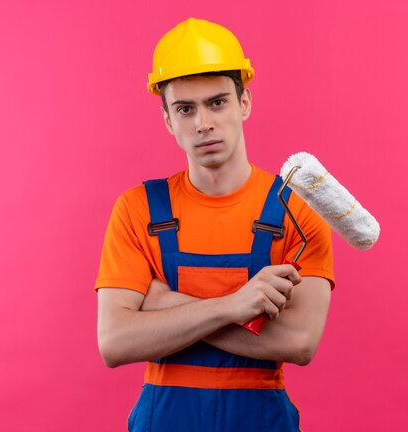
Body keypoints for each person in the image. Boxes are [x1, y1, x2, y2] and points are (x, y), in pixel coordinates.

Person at [95, 17, 336, 432]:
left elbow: (299, 343)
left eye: (217, 102)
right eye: (185, 109)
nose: (203, 122)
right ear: (168, 120)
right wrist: (231, 306)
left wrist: (166, 305)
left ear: (244, 103)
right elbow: (115, 342)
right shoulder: (137, 210)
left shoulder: (298, 209)